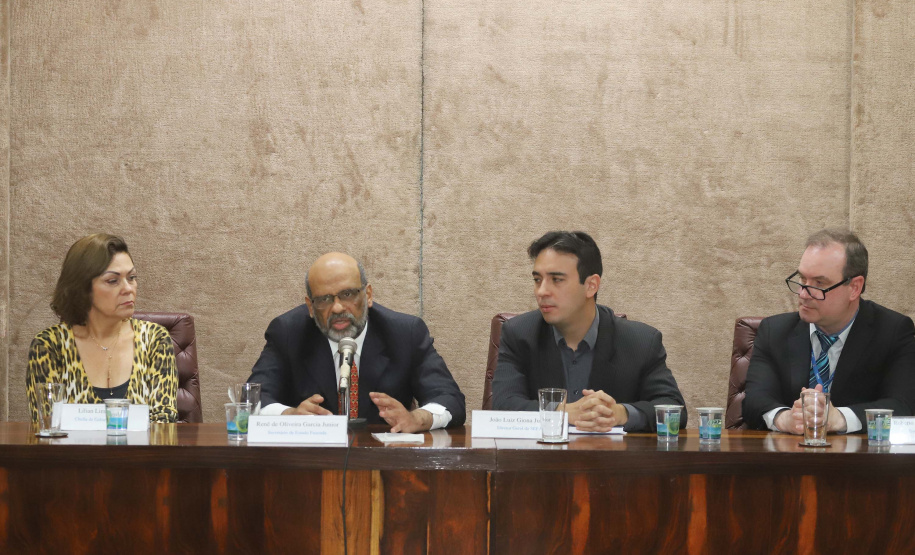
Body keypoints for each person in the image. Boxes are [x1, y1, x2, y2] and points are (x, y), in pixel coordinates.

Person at [492, 231, 686, 432]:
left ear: (591, 285)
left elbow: (674, 409)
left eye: (556, 279)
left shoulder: (640, 341)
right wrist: (563, 412)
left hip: (611, 460)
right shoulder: (519, 334)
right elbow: (502, 406)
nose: (541, 291)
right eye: (537, 280)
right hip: (541, 460)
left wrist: (621, 413)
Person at [247, 252, 465, 432]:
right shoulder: (288, 333)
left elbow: (450, 399)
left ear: (368, 295)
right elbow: (251, 400)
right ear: (311, 307)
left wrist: (417, 418)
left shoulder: (405, 333)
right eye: (324, 299)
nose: (338, 308)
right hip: (309, 468)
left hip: (385, 467)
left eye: (348, 294)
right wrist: (289, 415)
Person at [744, 229, 915, 433]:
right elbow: (754, 400)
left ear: (854, 288)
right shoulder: (774, 331)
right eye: (802, 279)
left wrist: (840, 418)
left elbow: (903, 405)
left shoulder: (893, 332)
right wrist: (785, 418)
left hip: (858, 461)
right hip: (787, 458)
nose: (803, 293)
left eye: (819, 283)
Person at [26, 234, 179, 424]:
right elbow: (47, 425)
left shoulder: (154, 338)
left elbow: (164, 421)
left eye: (131, 278)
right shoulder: (50, 346)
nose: (128, 288)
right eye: (112, 281)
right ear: (82, 288)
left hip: (141, 454)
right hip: (73, 455)